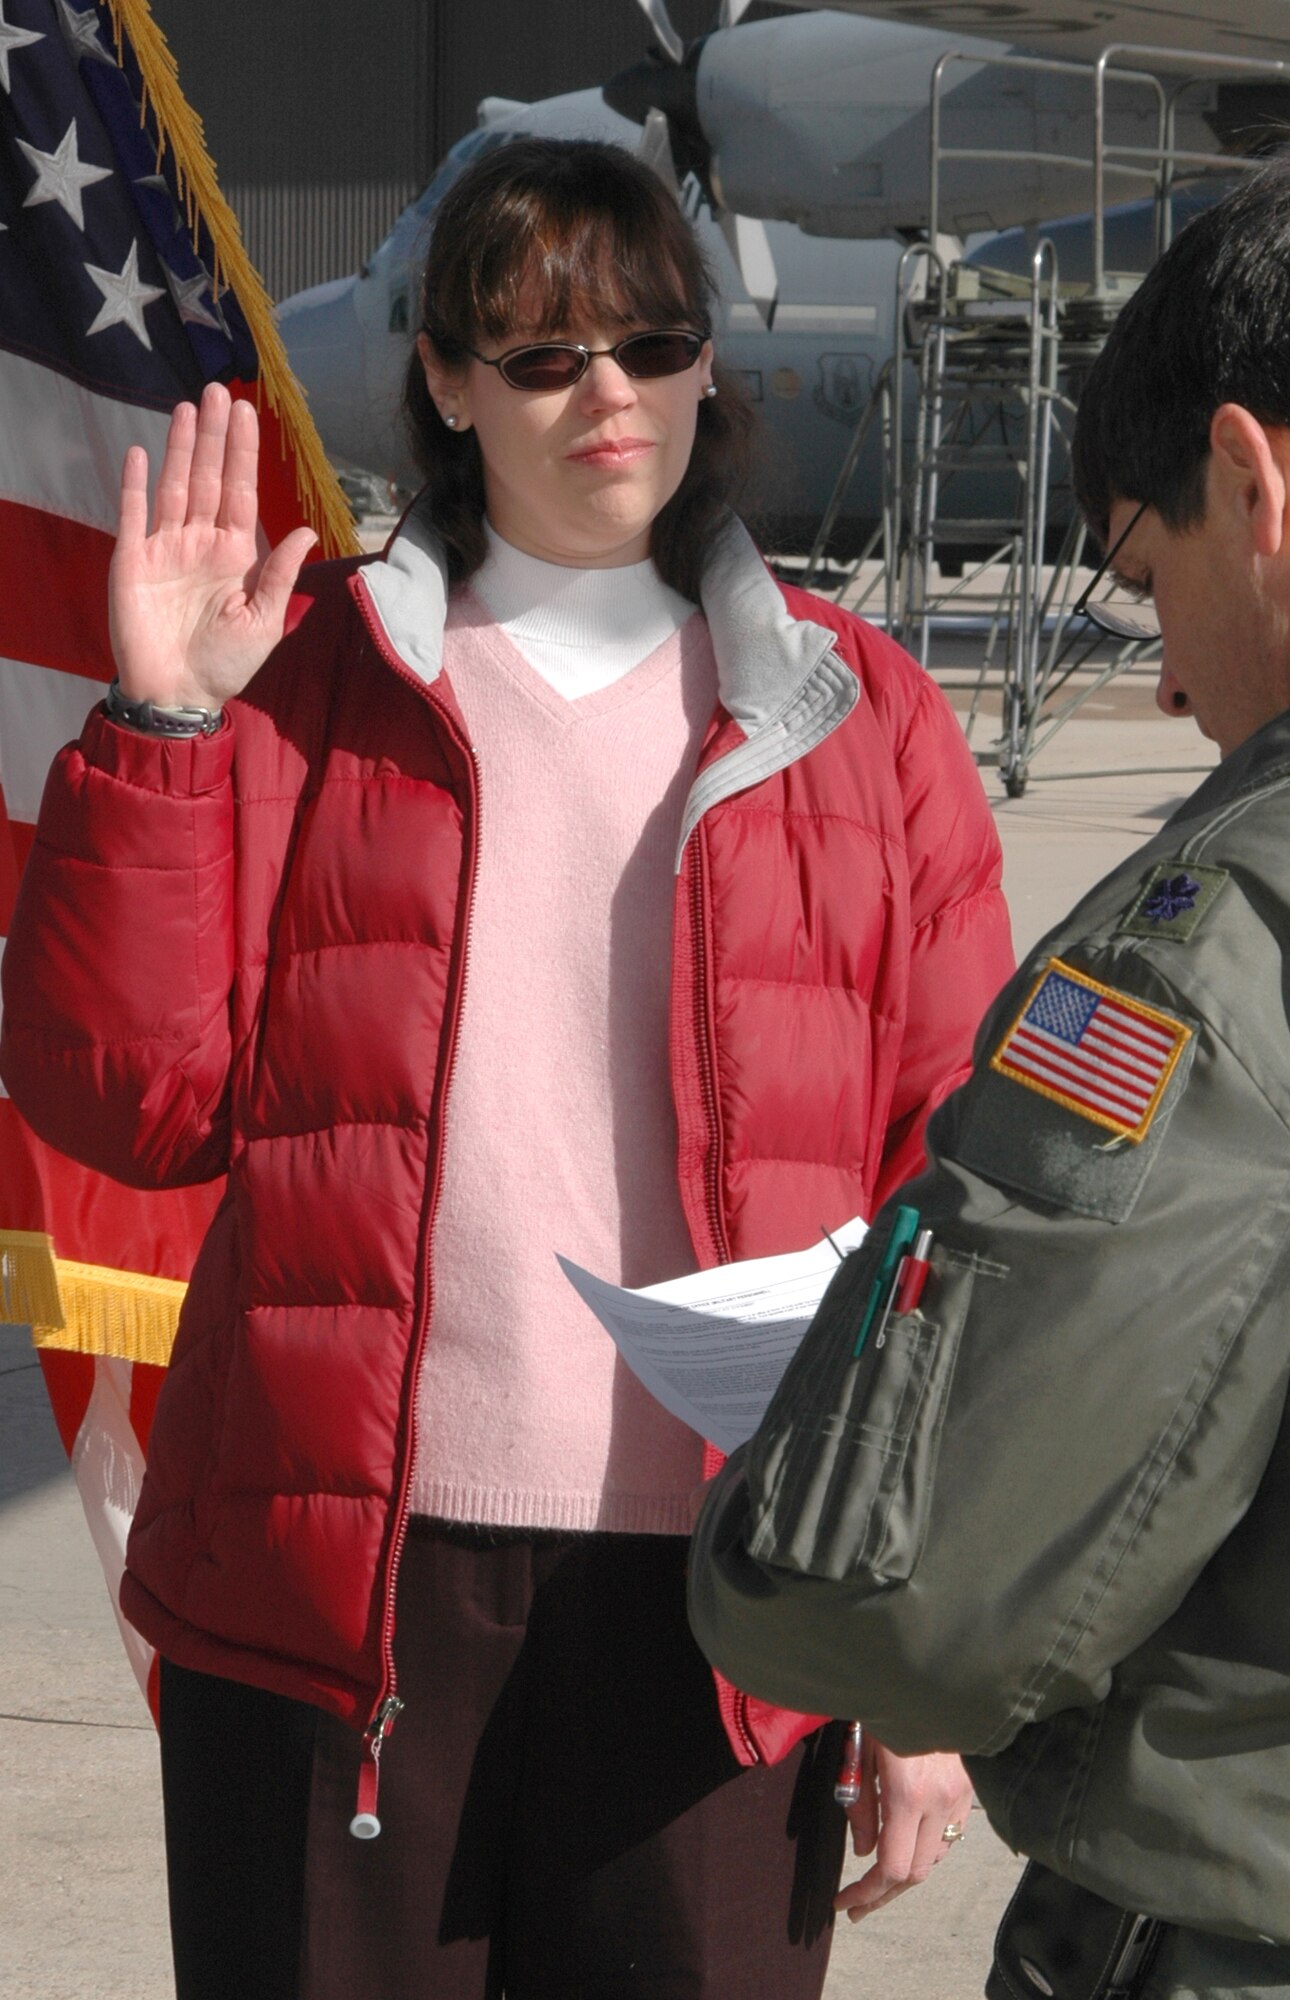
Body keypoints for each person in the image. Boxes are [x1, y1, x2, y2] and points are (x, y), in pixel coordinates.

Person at [0, 139, 1012, 1999]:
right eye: (539, 356)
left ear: (710, 367)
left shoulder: (865, 726)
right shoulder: (298, 690)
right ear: (451, 386)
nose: (604, 393)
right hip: (336, 1592)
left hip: (722, 1603)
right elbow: (124, 1102)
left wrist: (910, 1653)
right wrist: (157, 725)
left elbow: (953, 1207)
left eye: (649, 341)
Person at [687, 146, 1290, 2000]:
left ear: (1247, 480)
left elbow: (911, 1601)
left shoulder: (1232, 959)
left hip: (1289, 1941)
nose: (1175, 685)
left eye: (1137, 570)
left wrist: (757, 1535)